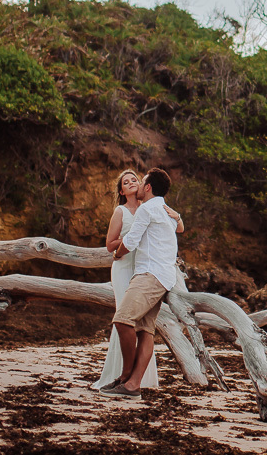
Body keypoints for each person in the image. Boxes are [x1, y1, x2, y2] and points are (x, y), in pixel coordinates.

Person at [92, 168, 183, 393]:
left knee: (123, 321)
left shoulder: (148, 209)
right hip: (161, 275)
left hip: (150, 275)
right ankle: (132, 384)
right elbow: (178, 228)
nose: (138, 185)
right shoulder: (163, 210)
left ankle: (126, 376)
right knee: (145, 330)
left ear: (148, 187)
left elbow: (130, 241)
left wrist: (117, 254)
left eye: (141, 182)